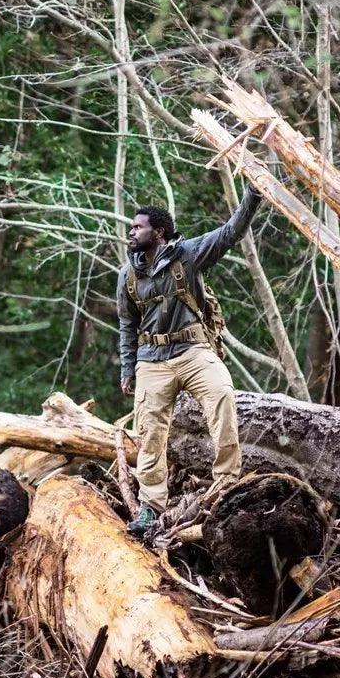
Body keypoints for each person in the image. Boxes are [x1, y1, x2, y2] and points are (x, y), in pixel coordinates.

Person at [117, 184, 263, 535]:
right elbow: (126, 323)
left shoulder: (188, 254)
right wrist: (127, 368)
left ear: (159, 232)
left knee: (223, 395)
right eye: (132, 227)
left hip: (194, 350)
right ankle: (151, 508)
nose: (132, 232)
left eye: (138, 227)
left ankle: (226, 483)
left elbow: (230, 233)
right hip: (151, 359)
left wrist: (253, 196)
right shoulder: (127, 275)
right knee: (149, 432)